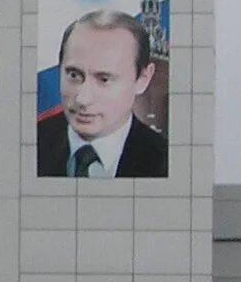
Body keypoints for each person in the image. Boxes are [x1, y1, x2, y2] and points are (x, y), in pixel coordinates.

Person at [36, 9, 168, 178]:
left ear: (142, 79)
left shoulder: (167, 163)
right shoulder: (29, 145)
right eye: (74, 75)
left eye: (104, 79)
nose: (83, 99)